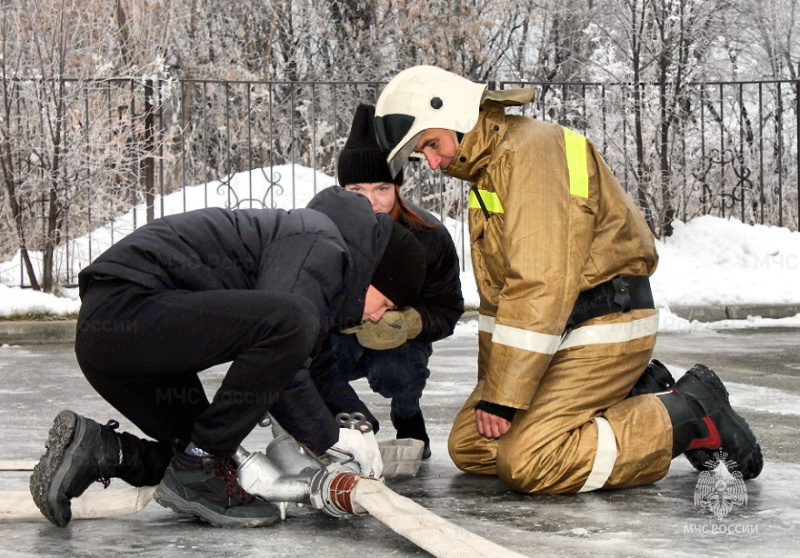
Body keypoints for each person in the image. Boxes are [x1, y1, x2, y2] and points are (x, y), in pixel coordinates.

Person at [373, 65, 763, 494]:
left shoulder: (531, 154)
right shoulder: (490, 171)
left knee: (528, 462)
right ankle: (626, 401)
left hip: (603, 319)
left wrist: (505, 398)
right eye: (421, 154)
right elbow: (499, 300)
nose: (432, 162)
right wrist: (496, 391)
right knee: (472, 446)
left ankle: (687, 414)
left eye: (430, 143)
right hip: (559, 332)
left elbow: (540, 283)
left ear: (454, 112)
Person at [29, 186, 427, 527]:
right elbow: (289, 349)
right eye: (386, 302)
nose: (377, 315)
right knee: (207, 456)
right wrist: (331, 441)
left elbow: (313, 362)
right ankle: (197, 465)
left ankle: (103, 449)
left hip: (122, 340)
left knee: (216, 469)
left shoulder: (316, 257)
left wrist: (360, 426)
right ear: (372, 272)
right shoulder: (318, 242)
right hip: (127, 312)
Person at [332, 103, 464, 459]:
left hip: (399, 344)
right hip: (340, 339)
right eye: (356, 189)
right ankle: (345, 419)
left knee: (398, 370)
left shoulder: (428, 235)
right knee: (309, 358)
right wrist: (344, 320)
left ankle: (408, 415)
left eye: (381, 189)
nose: (371, 202)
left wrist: (408, 322)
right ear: (342, 189)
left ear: (398, 189)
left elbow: (448, 308)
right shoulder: (323, 233)